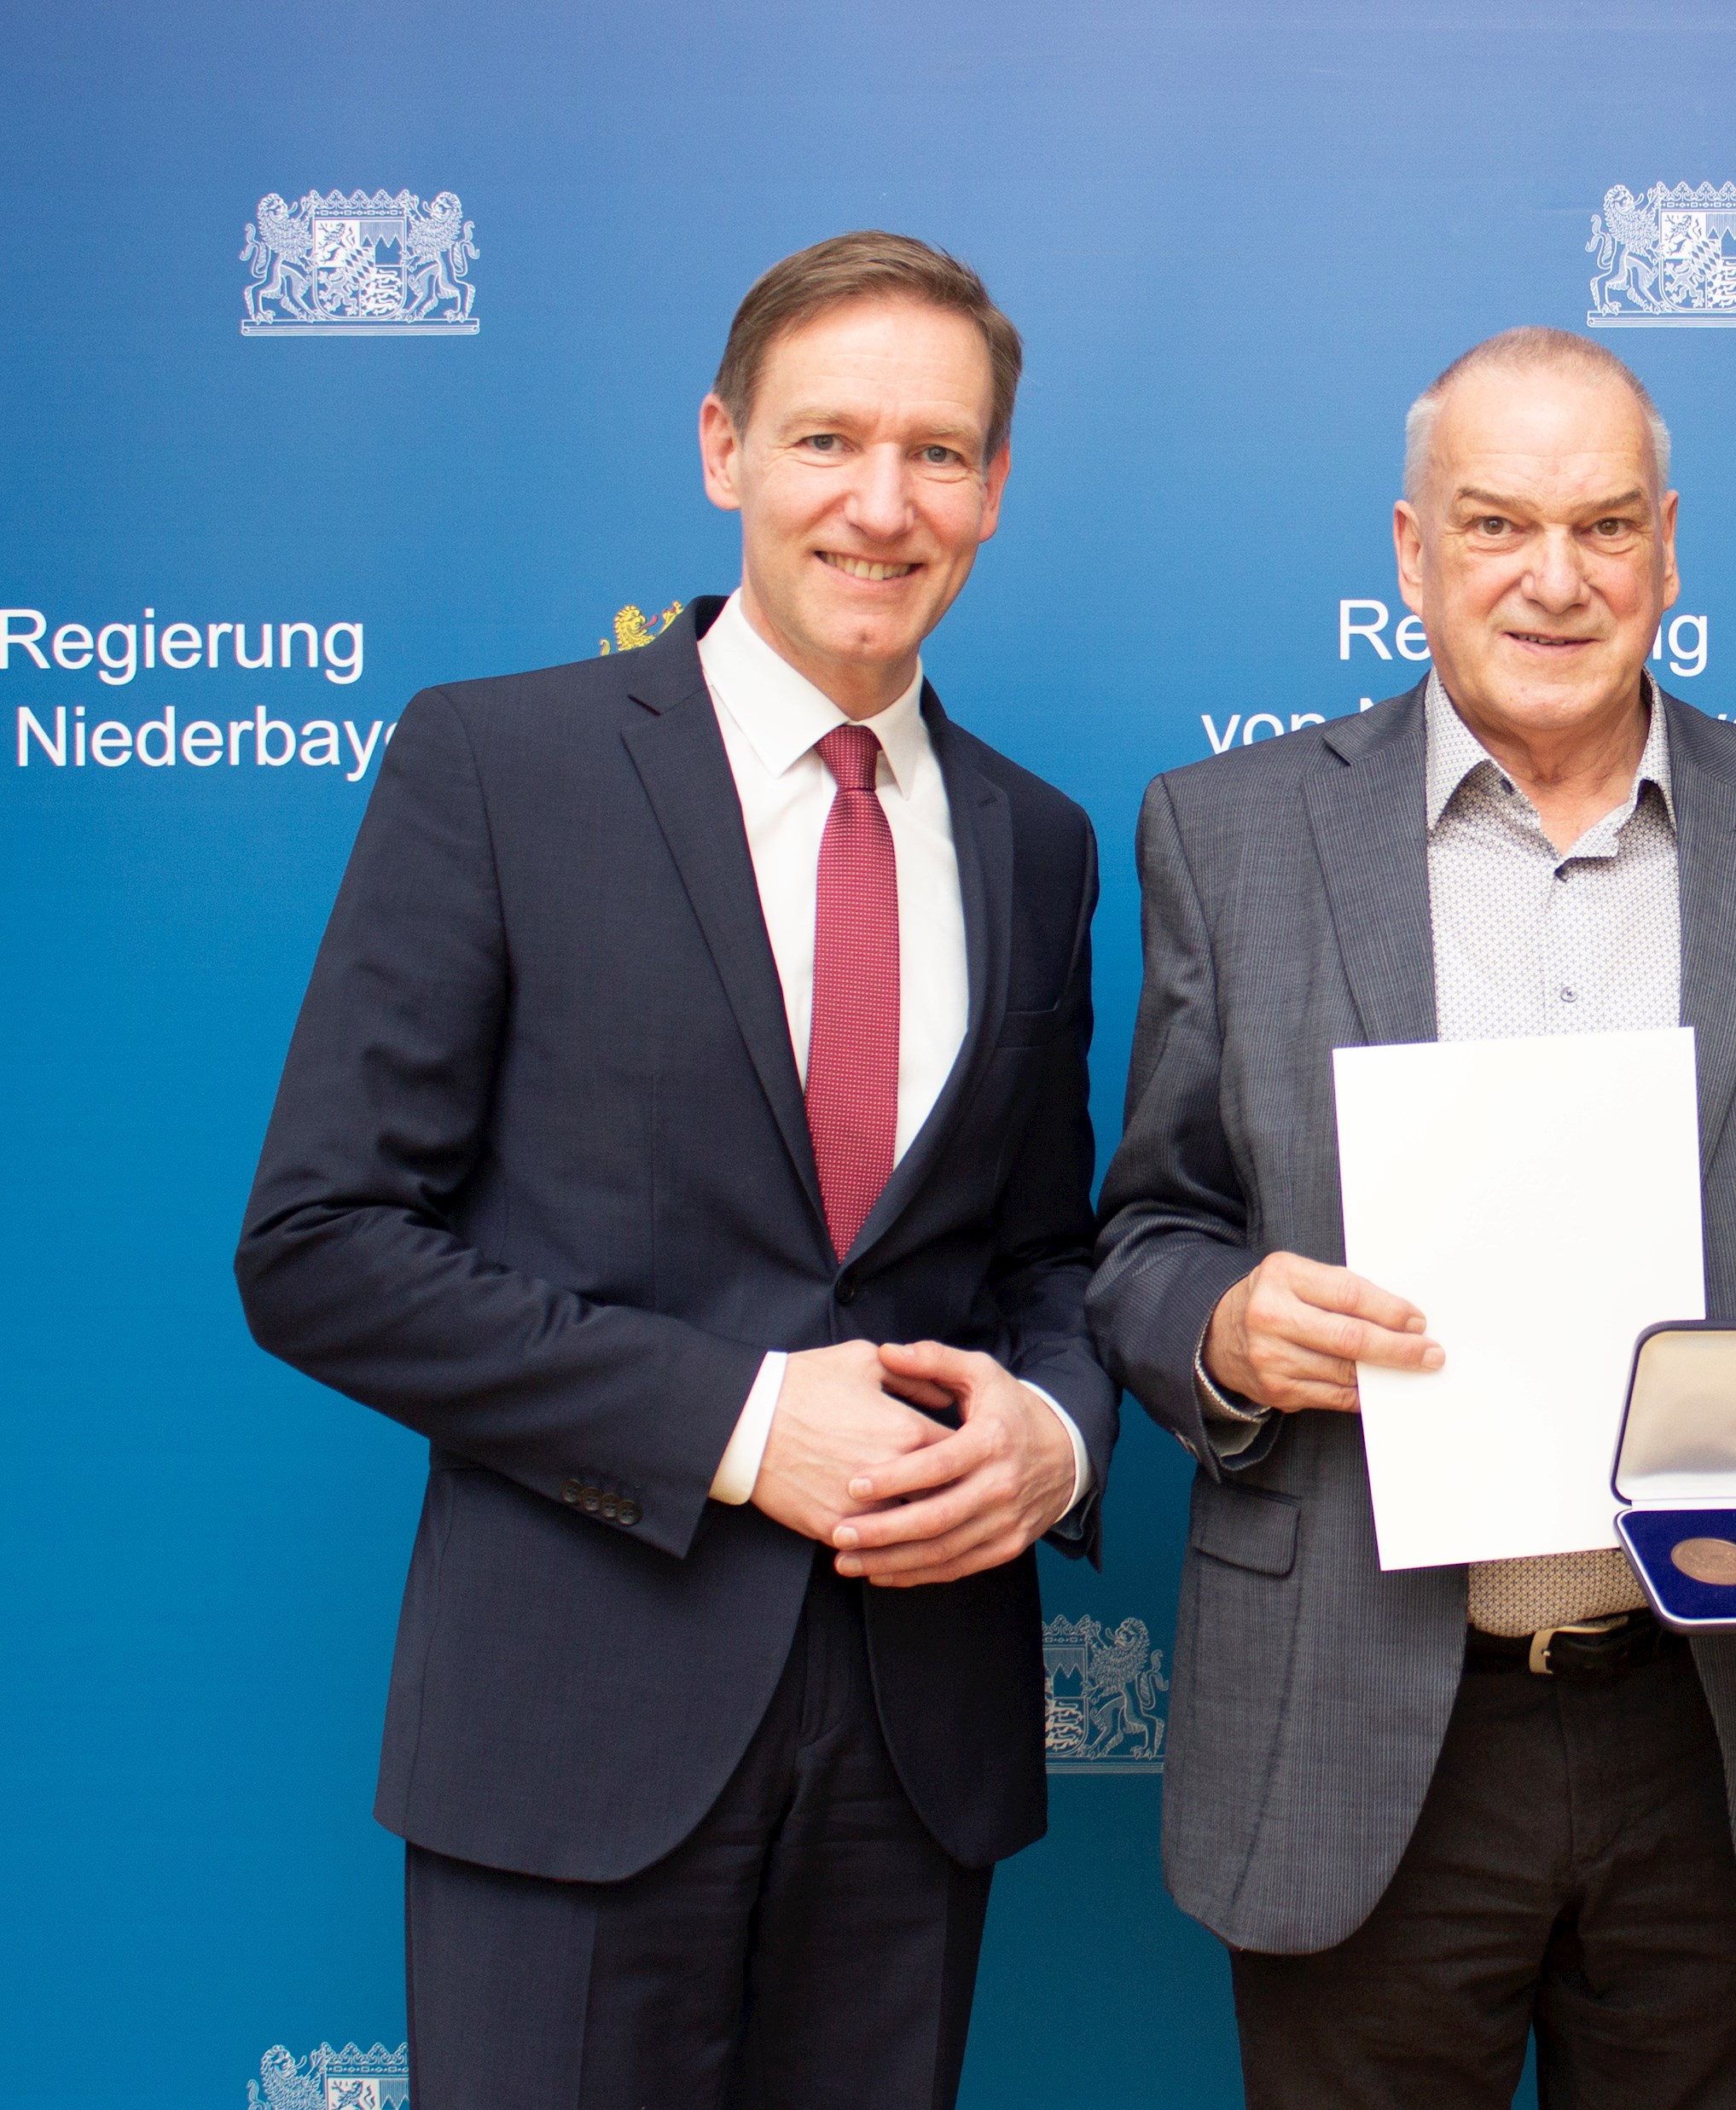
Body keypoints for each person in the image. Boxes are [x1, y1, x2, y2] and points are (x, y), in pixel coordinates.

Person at [233, 231, 1112, 2107]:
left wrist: (1058, 1434)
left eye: (938, 453)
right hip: (574, 1731)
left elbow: (1047, 1256)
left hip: (916, 1742)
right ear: (723, 448)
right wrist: (731, 1420)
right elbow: (319, 1245)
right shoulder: (498, 765)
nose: (882, 505)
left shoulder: (1037, 843)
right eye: (826, 441)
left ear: (995, 487)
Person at [1085, 326, 1736, 2110]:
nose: (1553, 581)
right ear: (1410, 552)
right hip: (1360, 1711)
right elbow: (1146, 1232)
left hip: (1716, 1714)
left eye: (1601, 527)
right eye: (1495, 525)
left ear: (1667, 546)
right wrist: (1223, 1331)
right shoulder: (1229, 834)